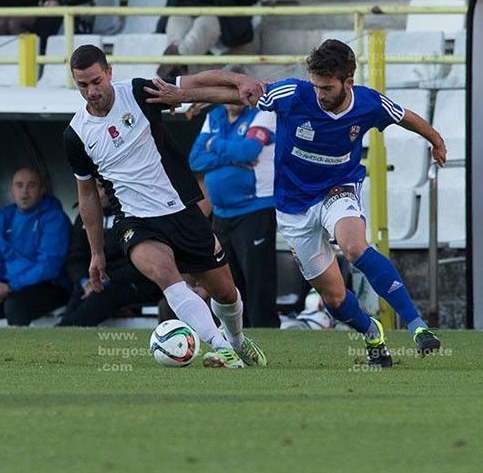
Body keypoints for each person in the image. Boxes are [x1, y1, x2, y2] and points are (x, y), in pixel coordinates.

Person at [144, 39, 447, 367]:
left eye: (328, 87)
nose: (320, 93)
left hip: (337, 189)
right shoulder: (294, 94)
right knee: (333, 297)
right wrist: (182, 95)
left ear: (349, 82)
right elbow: (237, 95)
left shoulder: (369, 104)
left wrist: (436, 140)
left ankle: (418, 327)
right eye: (316, 85)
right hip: (293, 207)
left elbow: (406, 117)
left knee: (355, 246)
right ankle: (371, 332)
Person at [62, 44, 266, 368]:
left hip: (181, 210)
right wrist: (97, 252)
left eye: (96, 81)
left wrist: (238, 84)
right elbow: (86, 195)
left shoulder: (139, 93)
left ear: (109, 73)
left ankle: (238, 341)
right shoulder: (76, 135)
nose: (91, 91)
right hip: (134, 220)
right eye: (82, 85)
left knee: (225, 293)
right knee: (165, 274)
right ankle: (220, 345)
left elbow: (194, 84)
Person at [189, 100, 280, 328]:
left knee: (258, 282)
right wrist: (234, 155)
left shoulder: (262, 114)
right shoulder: (215, 116)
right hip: (221, 214)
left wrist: (214, 144)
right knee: (230, 283)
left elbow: (248, 150)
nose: (233, 99)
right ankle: (238, 339)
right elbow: (195, 159)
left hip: (255, 208)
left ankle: (268, 335)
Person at [0, 168, 71, 326]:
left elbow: (49, 265)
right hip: (8, 287)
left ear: (42, 189)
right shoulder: (5, 216)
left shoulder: (54, 217)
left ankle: (17, 351)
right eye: (19, 185)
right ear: (12, 190)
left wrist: (11, 287)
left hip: (49, 286)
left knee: (15, 305)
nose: (25, 192)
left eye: (31, 185)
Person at [59, 179, 161, 327]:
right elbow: (75, 258)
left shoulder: (133, 214)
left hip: (135, 283)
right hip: (96, 281)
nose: (96, 193)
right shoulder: (84, 217)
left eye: (100, 187)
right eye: (91, 187)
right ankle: (62, 334)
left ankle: (66, 333)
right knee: (79, 292)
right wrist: (84, 281)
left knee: (101, 295)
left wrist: (105, 280)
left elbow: (141, 260)